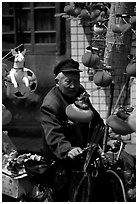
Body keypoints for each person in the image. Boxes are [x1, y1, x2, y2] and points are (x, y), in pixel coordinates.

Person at [40, 58, 105, 201]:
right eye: (68, 82)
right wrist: (67, 149)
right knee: (64, 196)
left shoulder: (79, 92)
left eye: (76, 81)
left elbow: (93, 118)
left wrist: (106, 137)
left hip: (82, 156)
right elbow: (53, 133)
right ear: (57, 82)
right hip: (60, 162)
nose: (73, 86)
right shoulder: (51, 104)